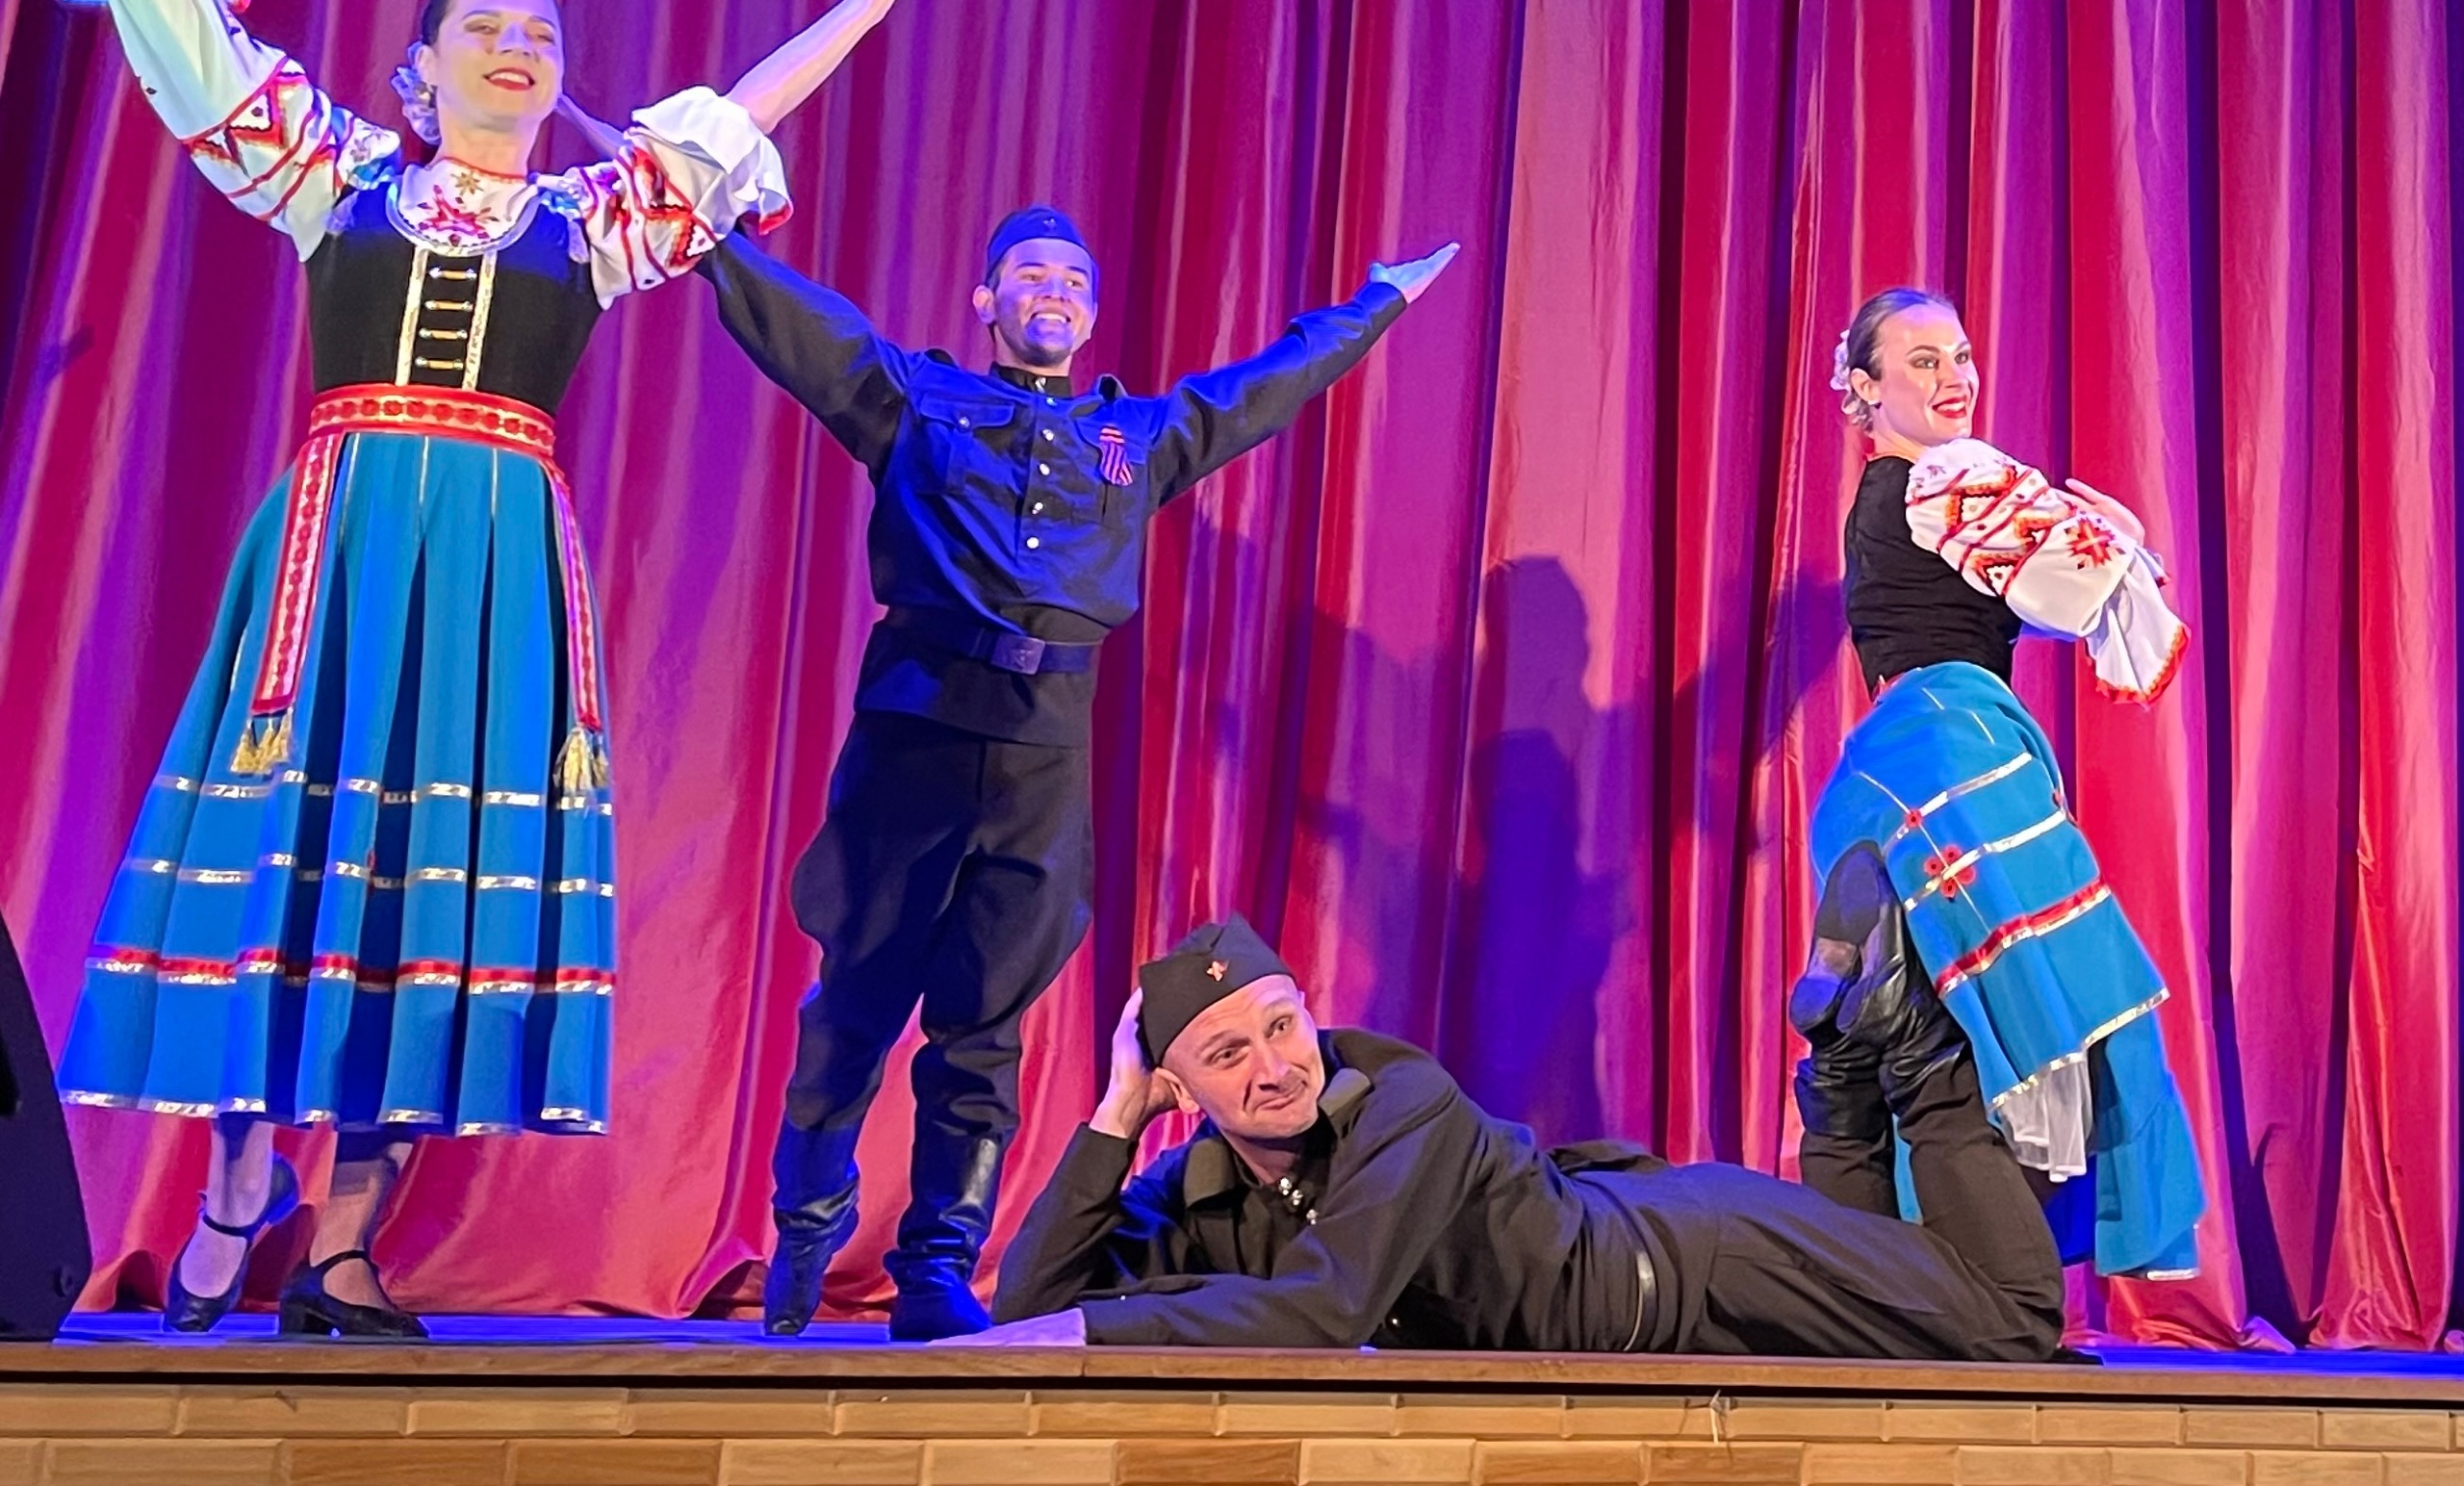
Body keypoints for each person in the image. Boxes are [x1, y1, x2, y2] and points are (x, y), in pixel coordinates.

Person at [4, 0, 941, 1336]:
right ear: (418, 70)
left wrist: (859, 10)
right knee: (304, 860)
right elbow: (188, 42)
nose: (518, 48)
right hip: (346, 550)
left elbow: (735, 121)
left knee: (429, 896)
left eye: (541, 34)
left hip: (498, 572)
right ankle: (237, 1182)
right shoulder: (337, 178)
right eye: (486, 29)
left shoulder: (594, 223)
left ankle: (345, 1245)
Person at [698, 213, 1456, 1339]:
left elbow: (1266, 386)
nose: (1052, 289)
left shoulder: (1135, 435)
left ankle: (934, 1264)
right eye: (1029, 273)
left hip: (1044, 753)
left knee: (984, 1022)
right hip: (915, 733)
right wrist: (705, 229)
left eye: (1071, 278)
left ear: (1091, 313)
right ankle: (807, 1212)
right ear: (986, 300)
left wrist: (1377, 301)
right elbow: (805, 330)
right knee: (855, 1001)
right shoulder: (916, 402)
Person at [965, 912, 2065, 1360]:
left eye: (1281, 1024)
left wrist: (1095, 1331)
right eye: (1227, 1054)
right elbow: (1024, 1310)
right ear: (1179, 1084)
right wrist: (1114, 1118)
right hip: (1675, 1324)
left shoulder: (1399, 1098)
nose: (1274, 1066)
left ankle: (1910, 1053)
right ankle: (1845, 1071)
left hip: (1702, 1260)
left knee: (2012, 1327)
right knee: (1905, 1327)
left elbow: (1325, 1307)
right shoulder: (1194, 1186)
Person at [1794, 287, 2207, 1280]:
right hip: (1956, 754)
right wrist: (2126, 545)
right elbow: (2075, 587)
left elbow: (2034, 583)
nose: (1955, 378)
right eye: (1923, 360)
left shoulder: (1892, 500)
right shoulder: (1948, 477)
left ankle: (1899, 1292)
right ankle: (1993, 1295)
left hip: (1880, 777)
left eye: (1962, 356)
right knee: (2034, 1018)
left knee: (1913, 1041)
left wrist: (2110, 552)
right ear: (1866, 387)